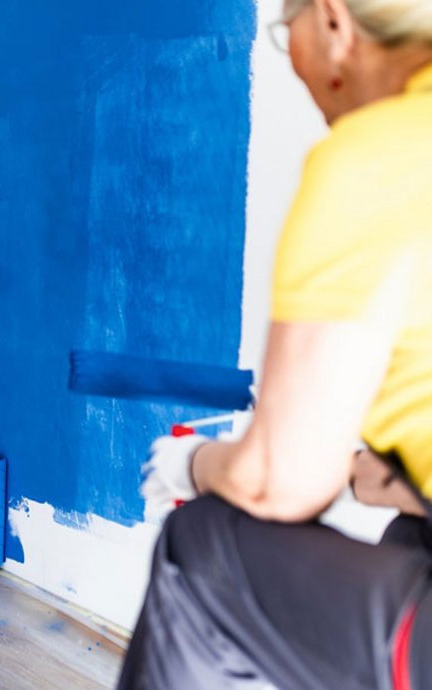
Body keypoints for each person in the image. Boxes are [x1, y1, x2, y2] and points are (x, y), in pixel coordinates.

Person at [118, 0, 432, 687]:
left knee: (197, 545)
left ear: (333, 22)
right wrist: (353, 468)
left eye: (286, 34)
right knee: (407, 531)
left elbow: (278, 484)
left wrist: (192, 463)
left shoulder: (376, 153)